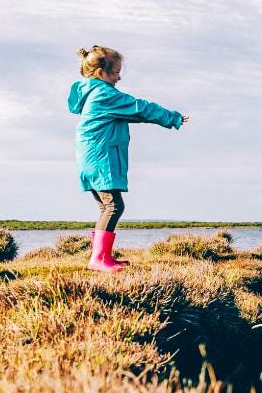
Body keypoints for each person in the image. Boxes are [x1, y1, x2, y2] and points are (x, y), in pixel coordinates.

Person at [68, 46, 189, 272]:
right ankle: (98, 258)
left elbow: (134, 114)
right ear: (100, 73)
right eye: (115, 72)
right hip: (100, 158)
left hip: (91, 159)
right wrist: (172, 117)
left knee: (106, 207)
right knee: (114, 206)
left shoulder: (92, 94)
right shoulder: (104, 94)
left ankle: (103, 257)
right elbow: (139, 108)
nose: (119, 77)